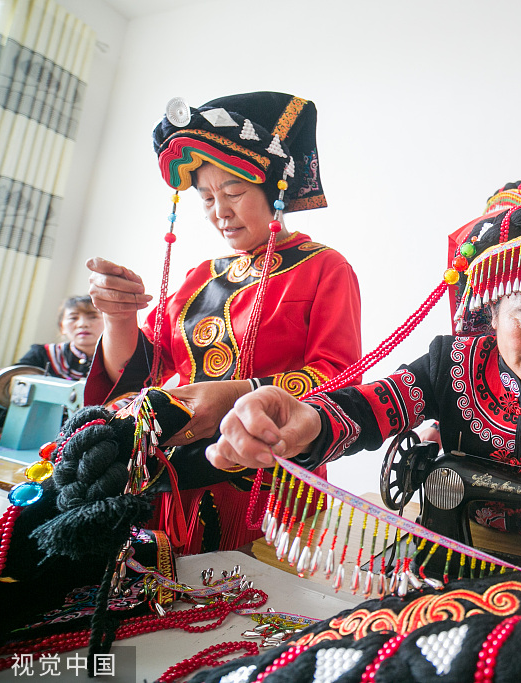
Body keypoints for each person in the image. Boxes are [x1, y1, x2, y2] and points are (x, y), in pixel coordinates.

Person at [210, 195, 521, 601]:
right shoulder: (449, 363)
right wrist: (310, 421)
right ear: (492, 311)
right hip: (451, 562)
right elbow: (371, 407)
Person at [85, 92, 362, 554]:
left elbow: (341, 380)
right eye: (206, 197)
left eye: (233, 193)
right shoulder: (200, 278)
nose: (220, 211)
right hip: (178, 480)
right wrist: (118, 320)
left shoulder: (325, 268)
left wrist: (238, 393)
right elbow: (138, 373)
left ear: (274, 191)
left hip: (272, 486)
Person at [16, 295, 103, 379]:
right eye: (73, 318)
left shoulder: (115, 361)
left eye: (93, 317)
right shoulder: (42, 354)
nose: (82, 324)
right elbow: (12, 381)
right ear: (62, 327)